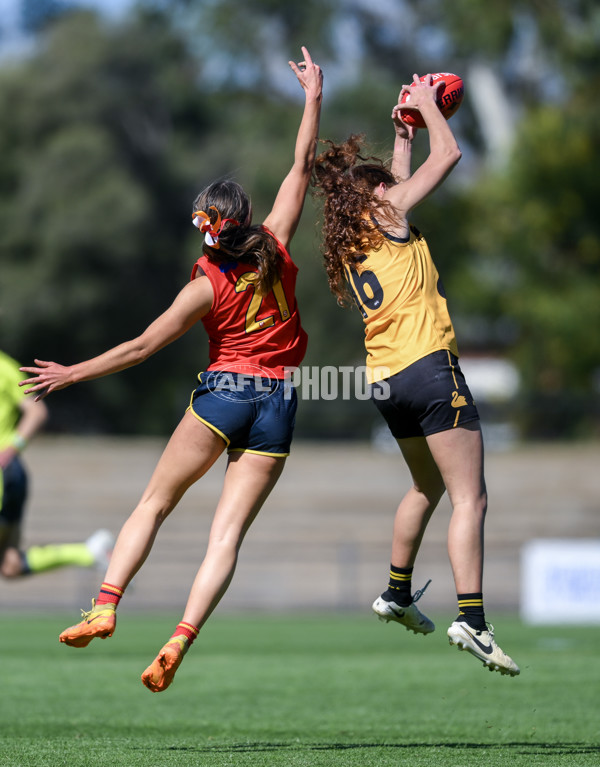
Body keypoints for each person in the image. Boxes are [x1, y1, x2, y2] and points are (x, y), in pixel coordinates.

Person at [20, 46, 323, 693]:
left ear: (206, 225)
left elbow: (139, 347)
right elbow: (300, 166)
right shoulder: (276, 246)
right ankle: (180, 638)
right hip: (278, 402)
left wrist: (71, 374)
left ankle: (106, 602)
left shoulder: (204, 283)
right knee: (226, 535)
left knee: (154, 504)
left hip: (224, 394)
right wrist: (312, 98)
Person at [311, 74, 519, 676]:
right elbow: (450, 155)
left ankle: (397, 593)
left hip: (385, 379)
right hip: (428, 367)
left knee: (425, 487)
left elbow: (399, 183)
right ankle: (472, 620)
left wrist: (402, 138)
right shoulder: (390, 211)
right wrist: (429, 111)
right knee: (470, 498)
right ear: (379, 191)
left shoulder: (357, 231)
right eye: (389, 181)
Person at [0, 349, 113, 578]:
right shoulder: (6, 365)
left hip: (5, 472)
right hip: (13, 472)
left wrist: (8, 451)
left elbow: (36, 412)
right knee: (9, 564)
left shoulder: (4, 367)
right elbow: (36, 412)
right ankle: (88, 552)